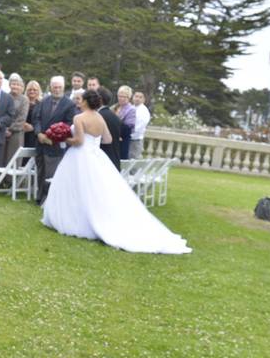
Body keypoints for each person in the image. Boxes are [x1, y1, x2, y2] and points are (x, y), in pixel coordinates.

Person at [41, 89, 191, 254]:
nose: (79, 102)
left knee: (74, 188)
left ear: (85, 101)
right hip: (96, 156)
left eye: (81, 99)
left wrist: (62, 138)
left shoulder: (79, 118)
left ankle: (74, 220)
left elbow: (78, 141)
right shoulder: (100, 118)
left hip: (79, 156)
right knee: (93, 190)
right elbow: (108, 139)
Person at [33, 76, 75, 203]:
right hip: (40, 143)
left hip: (55, 145)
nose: (57, 90)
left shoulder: (69, 104)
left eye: (59, 87)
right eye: (55, 87)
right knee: (40, 171)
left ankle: (49, 199)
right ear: (50, 87)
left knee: (51, 174)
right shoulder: (43, 101)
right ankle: (39, 197)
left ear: (63, 87)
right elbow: (36, 119)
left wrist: (52, 137)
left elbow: (68, 124)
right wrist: (39, 133)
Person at [3, 73, 29, 164]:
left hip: (16, 133)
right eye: (13, 84)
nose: (15, 86)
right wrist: (4, 128)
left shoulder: (24, 100)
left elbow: (22, 118)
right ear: (9, 85)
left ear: (22, 86)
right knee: (1, 156)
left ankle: (11, 178)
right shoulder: (4, 96)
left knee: (13, 157)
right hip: (3, 131)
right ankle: (0, 178)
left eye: (18, 84)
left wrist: (10, 129)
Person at [96, 86, 122, 170]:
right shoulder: (115, 117)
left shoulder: (99, 116)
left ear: (99, 100)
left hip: (103, 161)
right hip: (114, 159)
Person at [115, 85, 136, 160]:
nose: (121, 98)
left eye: (124, 96)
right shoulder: (115, 107)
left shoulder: (131, 109)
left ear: (129, 97)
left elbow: (129, 127)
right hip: (113, 139)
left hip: (123, 140)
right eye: (119, 96)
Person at [130, 91, 151, 159]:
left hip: (135, 140)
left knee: (133, 162)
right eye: (136, 96)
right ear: (133, 97)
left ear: (143, 100)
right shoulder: (131, 108)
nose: (137, 98)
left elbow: (139, 127)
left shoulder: (144, 111)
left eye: (140, 97)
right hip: (128, 138)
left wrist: (129, 135)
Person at [23, 79, 41, 149]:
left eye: (34, 90)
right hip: (22, 133)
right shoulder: (23, 102)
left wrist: (33, 127)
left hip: (35, 134)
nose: (32, 91)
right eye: (30, 89)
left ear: (38, 91)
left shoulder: (42, 104)